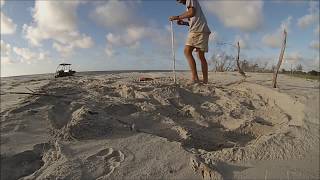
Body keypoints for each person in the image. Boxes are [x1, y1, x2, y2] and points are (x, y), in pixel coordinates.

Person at [169, 0, 211, 84]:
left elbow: (192, 12)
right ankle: (205, 80)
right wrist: (184, 23)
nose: (179, 2)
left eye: (179, 0)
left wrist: (177, 17)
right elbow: (194, 19)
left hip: (197, 30)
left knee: (187, 51)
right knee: (201, 56)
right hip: (203, 29)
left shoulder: (190, 0)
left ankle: (195, 78)